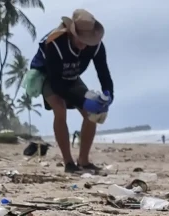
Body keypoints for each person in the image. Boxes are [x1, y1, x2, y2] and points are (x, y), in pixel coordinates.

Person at [29, 9, 113, 173]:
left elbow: (103, 72)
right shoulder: (54, 44)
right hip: (49, 75)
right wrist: (83, 101)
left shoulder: (95, 45)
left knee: (91, 114)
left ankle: (84, 160)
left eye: (88, 40)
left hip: (72, 75)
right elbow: (57, 84)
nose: (84, 44)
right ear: (71, 33)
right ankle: (68, 162)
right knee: (60, 110)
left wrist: (108, 94)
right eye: (81, 39)